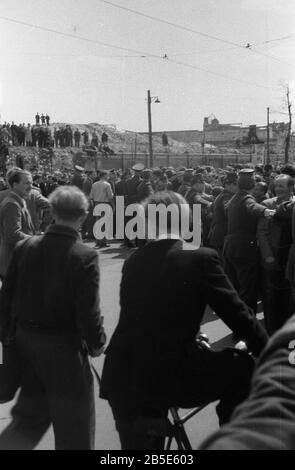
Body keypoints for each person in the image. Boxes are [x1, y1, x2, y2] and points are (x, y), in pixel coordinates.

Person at [100, 191, 268, 450]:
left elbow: (149, 317)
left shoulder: (134, 260)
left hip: (123, 374)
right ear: (185, 219)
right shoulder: (200, 257)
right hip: (171, 373)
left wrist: (192, 334)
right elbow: (239, 316)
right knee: (246, 370)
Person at [0, 186, 106, 450]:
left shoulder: (26, 246)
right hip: (64, 349)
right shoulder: (84, 255)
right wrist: (97, 343)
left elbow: (6, 297)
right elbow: (88, 310)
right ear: (83, 216)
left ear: (52, 213)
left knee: (28, 419)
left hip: (26, 342)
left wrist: (8, 340)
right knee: (75, 428)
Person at [201, 314, 295, 450]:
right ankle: (232, 422)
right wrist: (263, 348)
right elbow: (235, 310)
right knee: (242, 366)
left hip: (163, 379)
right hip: (184, 376)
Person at [223, 169, 275, 313]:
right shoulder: (247, 198)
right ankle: (247, 325)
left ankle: (236, 324)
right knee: (248, 290)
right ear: (252, 187)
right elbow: (252, 207)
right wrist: (267, 211)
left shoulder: (234, 198)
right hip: (244, 250)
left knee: (235, 288)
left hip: (230, 247)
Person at [257, 174, 294, 334]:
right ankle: (271, 332)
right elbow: (262, 232)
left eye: (281, 186)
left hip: (290, 257)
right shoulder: (267, 204)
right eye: (276, 186)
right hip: (274, 256)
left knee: (289, 297)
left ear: (291, 187)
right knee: (272, 297)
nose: (278, 189)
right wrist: (268, 255)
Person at [0, 168, 35, 279]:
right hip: (13, 264)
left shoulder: (16, 201)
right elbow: (12, 234)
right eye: (27, 183)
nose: (31, 186)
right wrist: (36, 240)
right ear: (14, 185)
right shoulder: (12, 204)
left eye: (31, 183)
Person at [90, 170, 113, 248]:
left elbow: (91, 196)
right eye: (107, 175)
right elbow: (110, 196)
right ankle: (104, 242)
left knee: (98, 223)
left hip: (97, 204)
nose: (108, 177)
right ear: (104, 176)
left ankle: (98, 241)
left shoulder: (94, 184)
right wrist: (113, 204)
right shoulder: (107, 184)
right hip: (104, 203)